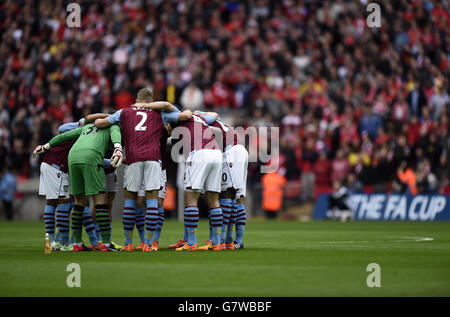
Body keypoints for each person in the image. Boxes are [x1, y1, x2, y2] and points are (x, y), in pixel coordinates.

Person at [94, 88, 192, 251]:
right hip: (154, 158)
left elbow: (100, 123)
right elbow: (184, 116)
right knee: (152, 201)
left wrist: (106, 119)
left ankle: (128, 243)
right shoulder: (159, 113)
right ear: (150, 101)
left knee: (131, 201)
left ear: (136, 99)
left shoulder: (123, 112)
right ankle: (148, 243)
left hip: (133, 158)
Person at [33, 119, 123, 252]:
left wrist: (46, 146)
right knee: (101, 199)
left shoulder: (87, 127)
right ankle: (106, 243)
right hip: (90, 157)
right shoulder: (113, 125)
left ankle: (77, 243)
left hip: (72, 158)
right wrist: (118, 148)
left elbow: (65, 135)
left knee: (79, 202)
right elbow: (115, 135)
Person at [170, 111, 223, 251]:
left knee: (191, 198)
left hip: (200, 153)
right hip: (217, 153)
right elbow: (215, 115)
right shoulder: (200, 118)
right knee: (214, 200)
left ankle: (192, 243)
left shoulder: (180, 119)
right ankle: (216, 243)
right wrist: (198, 112)